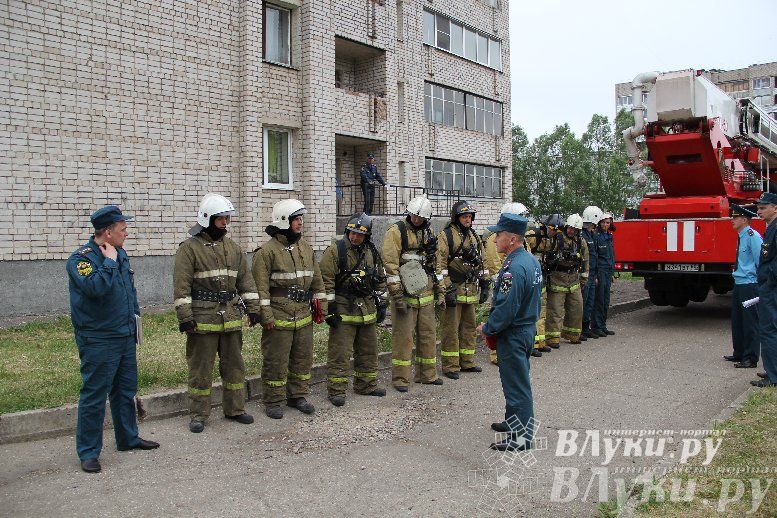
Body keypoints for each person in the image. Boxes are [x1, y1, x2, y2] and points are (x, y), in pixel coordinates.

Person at [67, 205, 159, 473]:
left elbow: (128, 292)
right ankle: (88, 452)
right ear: (107, 233)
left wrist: (135, 320)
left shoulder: (120, 253)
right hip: (99, 339)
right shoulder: (81, 260)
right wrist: (108, 261)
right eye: (123, 229)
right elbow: (96, 288)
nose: (126, 234)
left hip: (124, 334)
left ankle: (127, 438)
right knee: (94, 395)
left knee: (125, 391)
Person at [173, 194, 261, 433]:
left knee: (235, 366)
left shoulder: (233, 249)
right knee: (201, 369)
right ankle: (198, 414)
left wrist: (254, 310)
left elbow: (247, 282)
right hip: (202, 320)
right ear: (207, 219)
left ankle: (235, 409)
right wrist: (186, 317)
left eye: (226, 218)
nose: (225, 223)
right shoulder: (189, 249)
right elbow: (181, 287)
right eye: (220, 218)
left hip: (231, 318)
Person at [252, 199, 328, 418]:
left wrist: (322, 306)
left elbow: (318, 281)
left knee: (302, 357)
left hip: (303, 314)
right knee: (276, 359)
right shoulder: (266, 252)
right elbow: (261, 289)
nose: (300, 223)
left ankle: (297, 395)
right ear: (284, 220)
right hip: (278, 315)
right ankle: (274, 400)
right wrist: (265, 315)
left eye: (301, 218)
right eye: (296, 219)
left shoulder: (306, 247)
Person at [477, 213, 542, 452]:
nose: (494, 240)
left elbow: (507, 306)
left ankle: (522, 437)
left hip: (513, 333)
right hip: (525, 329)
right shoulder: (530, 261)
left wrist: (489, 327)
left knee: (517, 386)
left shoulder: (514, 268)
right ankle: (512, 422)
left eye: (499, 235)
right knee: (514, 380)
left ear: (512, 239)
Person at [320, 213, 388, 406]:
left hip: (366, 309)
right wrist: (330, 309)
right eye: (352, 232)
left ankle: (367, 385)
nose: (354, 237)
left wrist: (382, 304)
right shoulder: (335, 251)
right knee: (340, 353)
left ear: (366, 236)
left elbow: (380, 279)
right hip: (343, 309)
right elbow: (326, 282)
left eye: (359, 234)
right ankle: (336, 390)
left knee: (368, 351)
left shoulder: (372, 252)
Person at [382, 194, 443, 392]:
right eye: (414, 216)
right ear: (408, 213)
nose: (416, 220)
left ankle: (427, 375)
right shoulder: (396, 231)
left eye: (421, 218)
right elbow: (390, 265)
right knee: (403, 337)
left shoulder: (429, 232)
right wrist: (397, 295)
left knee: (428, 335)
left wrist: (440, 292)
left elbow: (436, 264)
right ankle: (401, 379)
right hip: (405, 295)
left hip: (425, 294)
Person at [436, 201, 487, 379]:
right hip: (454, 290)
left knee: (469, 328)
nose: (468, 219)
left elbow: (482, 260)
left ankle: (467, 362)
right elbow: (440, 265)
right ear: (456, 218)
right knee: (450, 330)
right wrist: (446, 289)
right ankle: (450, 366)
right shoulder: (447, 235)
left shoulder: (474, 236)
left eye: (470, 216)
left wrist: (485, 282)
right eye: (464, 216)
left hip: (470, 290)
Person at [723, 205, 762, 368]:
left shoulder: (752, 236)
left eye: (735, 218)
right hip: (740, 283)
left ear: (745, 220)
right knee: (738, 320)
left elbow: (760, 260)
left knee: (750, 322)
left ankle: (750, 358)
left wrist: (761, 283)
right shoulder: (742, 236)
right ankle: (739, 352)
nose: (732, 220)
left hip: (749, 284)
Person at [545, 213, 589, 346]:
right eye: (570, 228)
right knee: (555, 310)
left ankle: (573, 335)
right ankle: (552, 338)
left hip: (574, 279)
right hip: (558, 279)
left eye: (574, 229)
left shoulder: (581, 242)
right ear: (566, 227)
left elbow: (585, 261)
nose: (571, 231)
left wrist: (583, 279)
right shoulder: (557, 239)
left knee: (577, 308)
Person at [751, 192, 777, 387]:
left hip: (772, 288)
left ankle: (773, 376)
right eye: (758, 208)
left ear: (775, 208)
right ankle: (771, 370)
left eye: (763, 208)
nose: (759, 211)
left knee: (769, 330)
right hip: (769, 286)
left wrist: (768, 283)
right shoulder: (771, 228)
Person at [591, 212, 615, 337]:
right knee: (599, 300)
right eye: (603, 222)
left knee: (606, 300)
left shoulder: (609, 236)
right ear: (599, 223)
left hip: (608, 271)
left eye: (608, 222)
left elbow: (611, 256)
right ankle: (596, 326)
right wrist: (595, 275)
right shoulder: (596, 236)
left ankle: (603, 325)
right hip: (600, 271)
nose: (605, 224)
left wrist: (612, 273)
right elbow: (595, 257)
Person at [580, 206, 602, 340]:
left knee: (590, 302)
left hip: (592, 274)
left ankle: (586, 328)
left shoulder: (591, 235)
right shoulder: (582, 235)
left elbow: (595, 255)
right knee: (584, 301)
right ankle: (580, 329)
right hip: (586, 274)